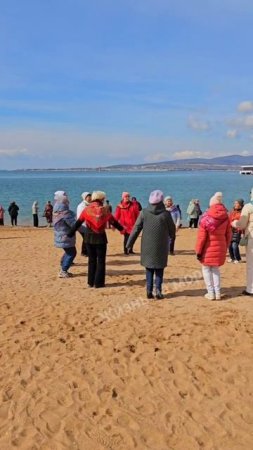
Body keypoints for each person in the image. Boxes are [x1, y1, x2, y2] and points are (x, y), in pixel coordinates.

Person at [126, 190, 176, 300]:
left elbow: (136, 229)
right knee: (159, 268)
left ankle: (149, 290)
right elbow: (172, 230)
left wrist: (129, 243)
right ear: (162, 200)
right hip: (161, 245)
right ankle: (158, 291)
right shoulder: (166, 214)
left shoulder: (144, 212)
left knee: (149, 268)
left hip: (147, 245)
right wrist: (172, 238)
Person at [68, 191, 124, 288]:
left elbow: (78, 222)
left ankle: (90, 282)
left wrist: (70, 233)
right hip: (101, 237)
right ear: (101, 199)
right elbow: (113, 222)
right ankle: (99, 283)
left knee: (92, 260)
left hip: (89, 237)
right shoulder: (105, 210)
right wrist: (122, 230)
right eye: (103, 198)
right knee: (101, 261)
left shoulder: (87, 209)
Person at [195, 192, 231, 300]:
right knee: (216, 269)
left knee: (206, 269)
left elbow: (201, 238)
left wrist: (198, 251)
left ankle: (210, 293)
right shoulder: (226, 217)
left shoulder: (206, 218)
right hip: (220, 246)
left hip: (207, 248)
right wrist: (226, 246)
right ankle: (218, 292)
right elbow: (228, 234)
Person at [232, 188, 253, 296]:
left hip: (252, 237)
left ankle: (251, 289)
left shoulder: (249, 207)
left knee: (251, 264)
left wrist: (234, 223)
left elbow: (242, 224)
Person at [53, 191, 77, 278]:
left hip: (60, 234)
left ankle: (63, 264)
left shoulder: (56, 210)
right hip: (66, 235)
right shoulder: (65, 213)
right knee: (72, 252)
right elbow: (74, 224)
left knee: (68, 251)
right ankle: (63, 270)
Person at [228, 199, 244, 263]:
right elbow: (229, 220)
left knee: (234, 245)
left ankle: (238, 259)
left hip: (237, 231)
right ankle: (232, 258)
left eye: (236, 203)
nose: (235, 204)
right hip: (230, 231)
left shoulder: (242, 213)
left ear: (240, 205)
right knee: (229, 245)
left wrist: (242, 232)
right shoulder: (232, 212)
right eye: (234, 203)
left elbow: (242, 223)